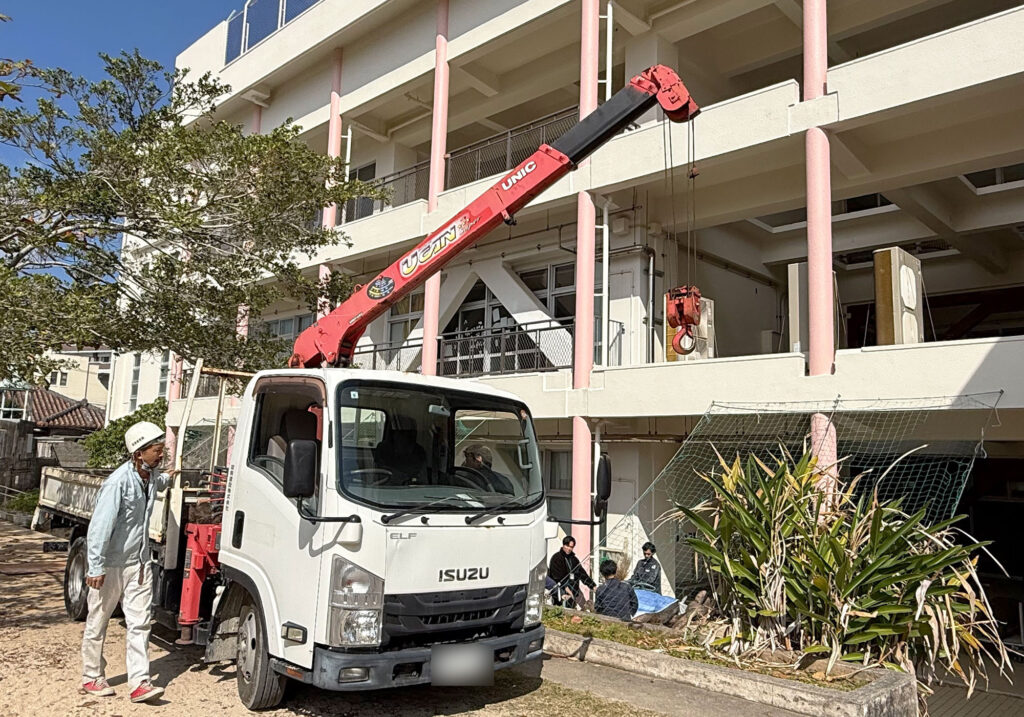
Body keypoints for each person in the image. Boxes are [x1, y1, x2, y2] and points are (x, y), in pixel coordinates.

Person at [80, 421, 174, 703]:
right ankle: (91, 676)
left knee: (140, 623)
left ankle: (139, 683)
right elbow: (99, 527)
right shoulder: (117, 483)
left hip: (139, 563)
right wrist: (95, 566)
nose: (161, 455)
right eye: (156, 451)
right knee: (98, 621)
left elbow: (158, 482)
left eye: (161, 450)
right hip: (110, 566)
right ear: (138, 453)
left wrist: (170, 476)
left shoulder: (149, 475)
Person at [547, 535, 596, 608]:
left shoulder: (574, 559)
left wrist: (592, 585)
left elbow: (582, 574)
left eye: (571, 547)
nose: (569, 549)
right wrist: (567, 590)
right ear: (563, 545)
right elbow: (557, 577)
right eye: (567, 546)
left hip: (572, 594)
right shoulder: (556, 558)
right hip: (560, 594)